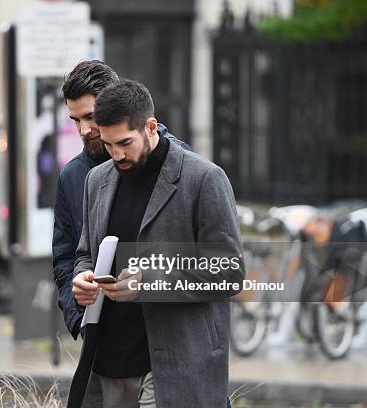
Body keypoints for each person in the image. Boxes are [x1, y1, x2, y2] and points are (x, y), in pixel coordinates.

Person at [70, 80, 243, 407]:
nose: (116, 154)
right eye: (107, 145)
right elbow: (84, 253)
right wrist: (81, 278)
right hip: (106, 364)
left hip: (174, 368)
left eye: (125, 142)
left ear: (151, 126)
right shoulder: (98, 180)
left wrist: (148, 283)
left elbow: (229, 271)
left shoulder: (204, 179)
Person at [53, 60, 191, 341]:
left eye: (90, 117)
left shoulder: (181, 165)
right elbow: (69, 256)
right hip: (106, 346)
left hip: (168, 341)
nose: (83, 130)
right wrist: (77, 303)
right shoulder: (73, 177)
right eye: (76, 120)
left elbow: (209, 260)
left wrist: (149, 282)